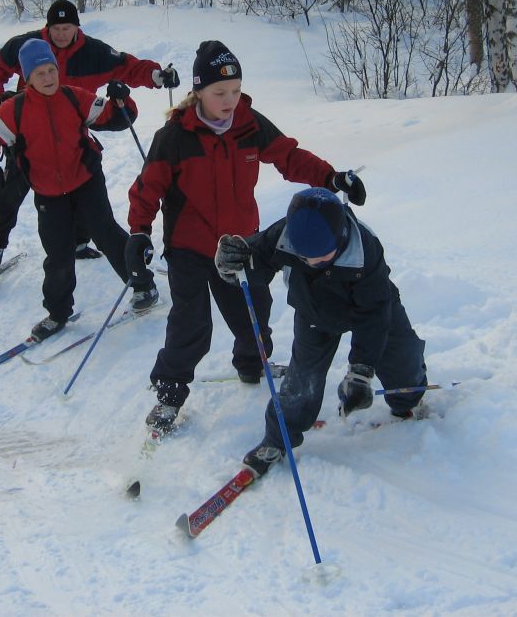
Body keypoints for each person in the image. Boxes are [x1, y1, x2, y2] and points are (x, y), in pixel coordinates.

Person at [125, 40, 366, 431]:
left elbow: (289, 157)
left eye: (235, 91)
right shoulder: (174, 137)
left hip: (239, 246)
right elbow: (148, 188)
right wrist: (138, 232)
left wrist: (332, 177)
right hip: (188, 247)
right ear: (198, 91)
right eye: (219, 93)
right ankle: (169, 396)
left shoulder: (249, 125)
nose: (229, 100)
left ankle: (254, 364)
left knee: (254, 314)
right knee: (191, 326)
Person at [214, 187, 427, 476]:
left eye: (320, 257)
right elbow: (257, 258)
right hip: (315, 311)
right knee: (302, 382)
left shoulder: (365, 248)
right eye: (304, 258)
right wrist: (233, 262)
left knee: (403, 358)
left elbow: (374, 315)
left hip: (372, 308)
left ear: (340, 238)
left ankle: (408, 400)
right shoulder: (287, 233)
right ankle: (277, 440)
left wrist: (360, 372)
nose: (311, 263)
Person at [0, 0, 178, 280]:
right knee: (10, 193)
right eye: (56, 28)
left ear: (76, 27)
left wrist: (156, 76)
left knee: (80, 183)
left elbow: (126, 66)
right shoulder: (29, 46)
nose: (61, 34)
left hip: (72, 131)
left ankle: (80, 242)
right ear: (48, 27)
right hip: (27, 134)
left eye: (67, 27)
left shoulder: (92, 52)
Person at [0, 38, 159, 340]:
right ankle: (58, 313)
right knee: (57, 253)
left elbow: (116, 117)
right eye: (39, 73)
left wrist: (123, 99)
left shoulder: (74, 98)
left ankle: (143, 285)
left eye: (51, 70)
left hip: (86, 180)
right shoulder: (15, 109)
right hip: (48, 191)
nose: (47, 78)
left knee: (106, 233)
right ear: (27, 78)